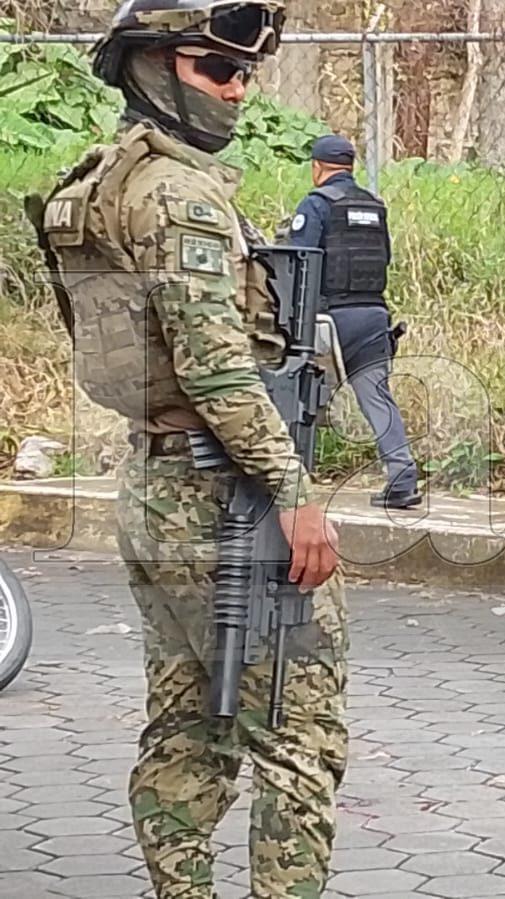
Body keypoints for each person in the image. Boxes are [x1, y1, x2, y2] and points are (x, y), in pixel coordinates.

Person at [31, 2, 349, 896]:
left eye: (246, 73)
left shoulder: (100, 180)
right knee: (296, 725)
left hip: (158, 479)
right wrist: (294, 493)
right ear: (153, 67)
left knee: (189, 721)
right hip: (225, 496)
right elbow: (215, 370)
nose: (238, 89)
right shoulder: (179, 194)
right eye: (217, 68)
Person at [288, 135, 422, 509]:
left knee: (295, 391)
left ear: (317, 167)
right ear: (350, 167)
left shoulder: (315, 205)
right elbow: (386, 259)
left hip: (329, 322)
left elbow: (301, 262)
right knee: (376, 397)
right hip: (374, 317)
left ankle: (289, 479)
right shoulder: (374, 207)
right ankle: (402, 479)